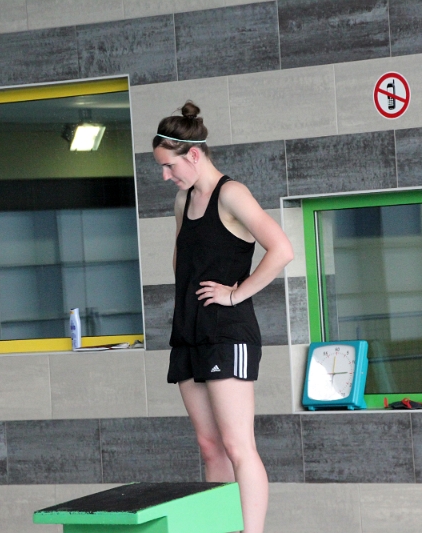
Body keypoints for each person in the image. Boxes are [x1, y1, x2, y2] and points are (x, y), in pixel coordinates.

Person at [152, 101, 294, 533]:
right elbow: (182, 262)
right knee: (209, 446)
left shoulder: (232, 194)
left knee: (237, 445)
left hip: (228, 334)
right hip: (189, 332)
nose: (166, 176)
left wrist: (235, 294)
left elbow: (282, 249)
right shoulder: (183, 200)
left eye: (169, 166)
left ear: (194, 154)